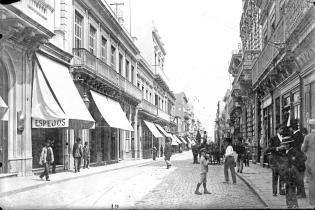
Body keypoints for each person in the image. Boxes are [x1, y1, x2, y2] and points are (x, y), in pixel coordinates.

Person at [281, 135, 304, 209]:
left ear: (288, 144)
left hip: (291, 176)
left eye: (284, 144)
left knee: (291, 191)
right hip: (288, 176)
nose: (283, 146)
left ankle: (293, 206)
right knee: (288, 191)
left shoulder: (292, 152)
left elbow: (292, 165)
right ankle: (290, 205)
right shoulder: (287, 152)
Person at [266, 125, 286, 196]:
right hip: (275, 160)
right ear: (277, 130)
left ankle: (282, 191)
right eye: (281, 129)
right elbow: (268, 149)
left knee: (282, 176)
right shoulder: (273, 138)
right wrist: (277, 148)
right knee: (275, 176)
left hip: (283, 160)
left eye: (282, 129)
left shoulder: (285, 138)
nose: (282, 131)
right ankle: (274, 191)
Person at [290, 119, 306, 198]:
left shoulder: (295, 136)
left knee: (298, 177)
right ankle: (302, 193)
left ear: (292, 128)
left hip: (297, 158)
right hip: (300, 158)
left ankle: (300, 193)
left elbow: (295, 148)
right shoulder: (300, 134)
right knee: (299, 177)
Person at [301, 121, 315, 207]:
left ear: (310, 127)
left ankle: (313, 202)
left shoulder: (307, 137)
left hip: (311, 163)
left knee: (312, 182)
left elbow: (303, 149)